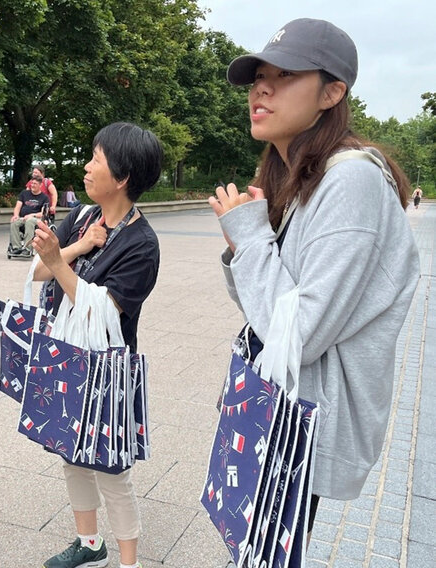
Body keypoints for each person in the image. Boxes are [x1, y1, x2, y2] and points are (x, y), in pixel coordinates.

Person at [210, 16, 419, 553]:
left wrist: (251, 240)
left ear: (332, 92)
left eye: (286, 74)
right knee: (256, 549)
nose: (261, 87)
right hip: (286, 407)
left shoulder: (349, 179)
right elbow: (265, 308)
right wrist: (247, 244)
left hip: (306, 418)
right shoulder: (297, 176)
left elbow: (301, 330)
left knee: (265, 553)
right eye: (259, 75)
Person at [31, 122, 163, 568]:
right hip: (67, 354)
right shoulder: (85, 217)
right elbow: (38, 273)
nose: (86, 168)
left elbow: (103, 313)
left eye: (96, 160)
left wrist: (57, 260)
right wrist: (78, 246)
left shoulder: (142, 244)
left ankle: (129, 562)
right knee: (71, 454)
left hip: (107, 367)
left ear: (122, 178)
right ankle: (89, 544)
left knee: (112, 469)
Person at [10, 177, 50, 257]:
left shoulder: (44, 198)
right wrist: (16, 215)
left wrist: (32, 215)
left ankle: (27, 249)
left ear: (40, 185)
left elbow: (43, 213)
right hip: (23, 218)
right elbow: (18, 207)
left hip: (36, 219)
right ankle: (16, 248)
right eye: (32, 183)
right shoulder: (24, 194)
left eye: (35, 184)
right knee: (14, 222)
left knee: (30, 220)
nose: (32, 185)